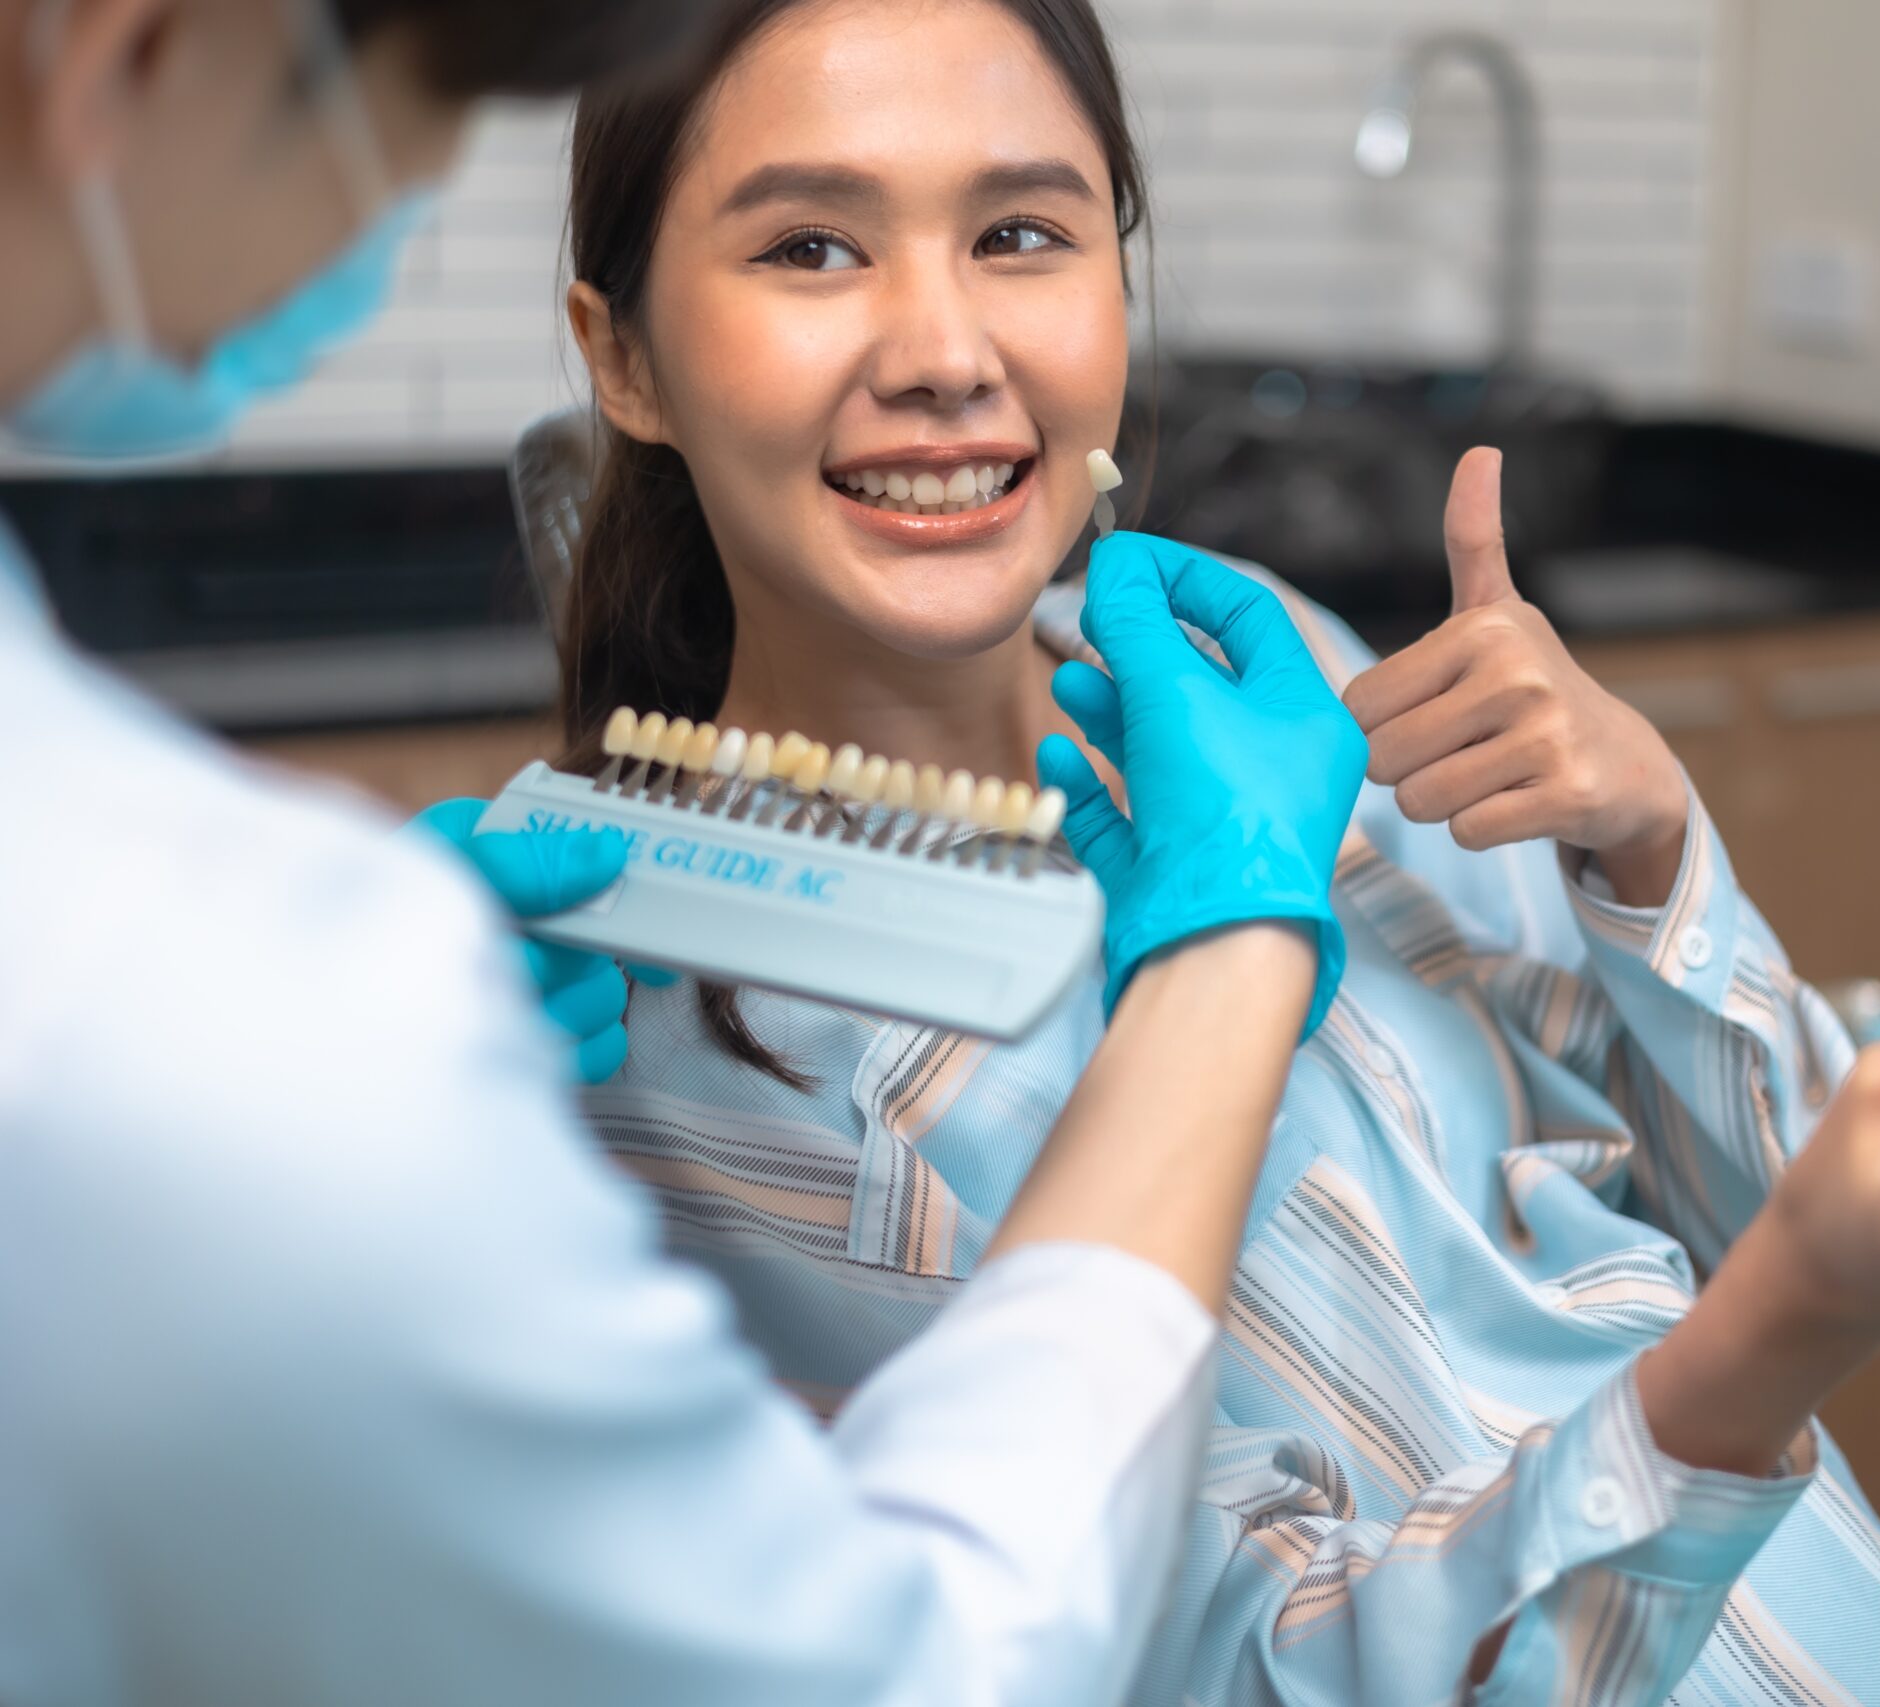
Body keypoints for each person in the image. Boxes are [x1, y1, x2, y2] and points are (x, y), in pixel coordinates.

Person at [512, 3, 1880, 1704]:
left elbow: (1789, 1223)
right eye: (812, 248)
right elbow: (1280, 1670)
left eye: (1022, 232)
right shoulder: (705, 1068)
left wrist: (1647, 854)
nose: (946, 349)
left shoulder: (1270, 674)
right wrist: (1782, 1330)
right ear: (625, 356)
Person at [0, 2, 1376, 1704]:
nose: (946, 351)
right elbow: (915, 1670)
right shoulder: (233, 1011)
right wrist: (1234, 950)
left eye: (1021, 231)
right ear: (126, 58)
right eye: (417, 120)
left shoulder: (1306, 683)